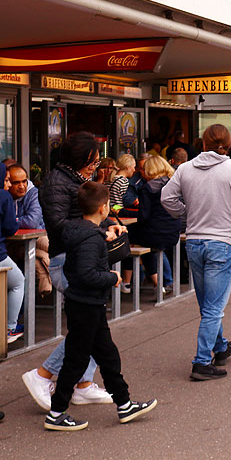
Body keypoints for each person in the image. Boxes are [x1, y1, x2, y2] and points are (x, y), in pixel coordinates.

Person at [44, 181, 157, 431]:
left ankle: (124, 404)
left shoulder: (82, 232)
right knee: (76, 360)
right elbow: (86, 273)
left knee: (107, 356)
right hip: (85, 304)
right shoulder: (90, 238)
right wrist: (111, 277)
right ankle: (56, 412)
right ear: (103, 208)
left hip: (87, 303)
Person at [23, 132, 118, 411]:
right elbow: (59, 224)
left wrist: (108, 224)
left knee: (92, 324)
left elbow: (86, 215)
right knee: (87, 327)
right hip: (67, 260)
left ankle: (83, 384)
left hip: (79, 257)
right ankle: (43, 374)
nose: (95, 166)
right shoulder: (57, 182)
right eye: (92, 161)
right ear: (79, 158)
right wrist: (97, 232)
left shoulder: (74, 179)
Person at [161, 124, 231, 381]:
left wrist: (186, 214)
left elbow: (166, 198)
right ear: (229, 144)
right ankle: (202, 361)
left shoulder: (185, 168)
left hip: (194, 241)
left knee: (207, 303)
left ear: (203, 144)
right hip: (222, 242)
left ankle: (220, 346)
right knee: (214, 306)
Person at [130, 156, 179, 295]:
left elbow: (143, 216)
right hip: (173, 230)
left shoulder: (148, 188)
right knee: (149, 248)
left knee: (127, 237)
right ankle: (162, 283)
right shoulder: (173, 183)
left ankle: (129, 282)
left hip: (155, 233)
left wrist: (124, 213)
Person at [8, 163, 52, 296]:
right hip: (12, 243)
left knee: (54, 246)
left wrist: (13, 220)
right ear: (7, 182)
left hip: (36, 237)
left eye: (24, 181)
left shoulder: (33, 193)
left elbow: (31, 222)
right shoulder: (4, 196)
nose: (22, 186)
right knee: (41, 257)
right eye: (16, 183)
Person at [0, 163, 23, 343]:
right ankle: (9, 328)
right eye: (7, 180)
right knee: (18, 282)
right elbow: (10, 228)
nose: (8, 185)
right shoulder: (4, 196)